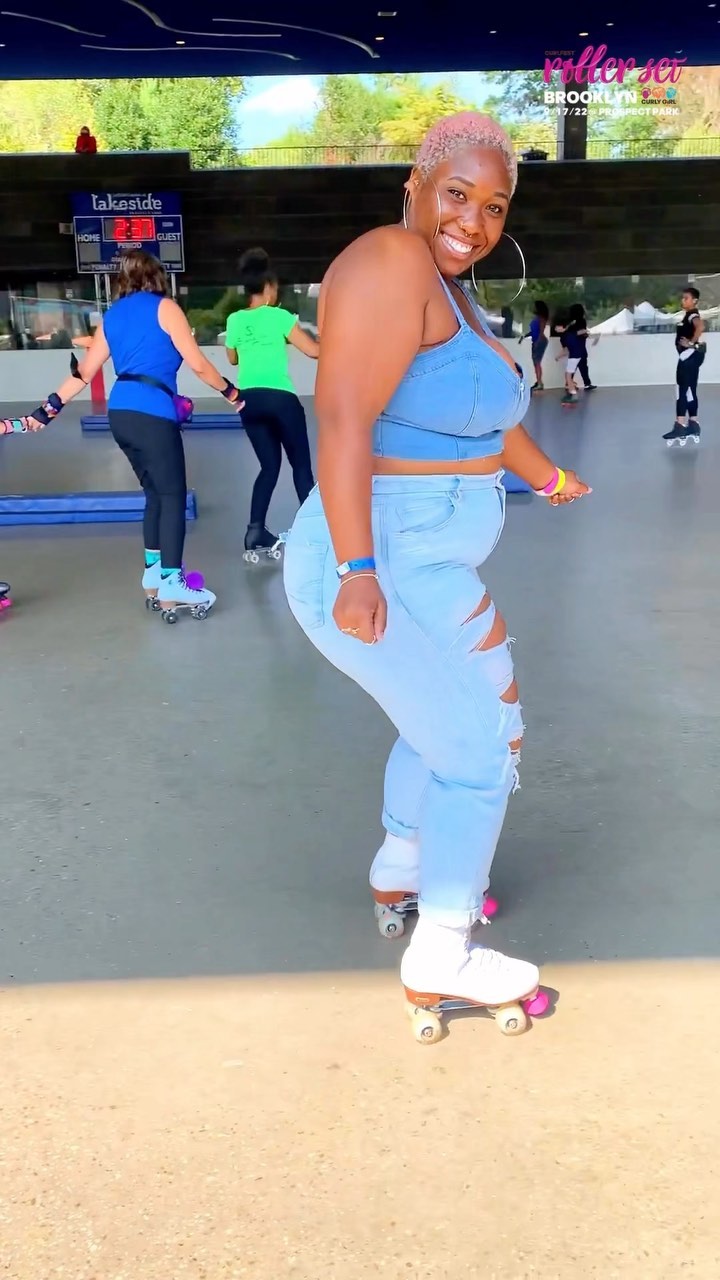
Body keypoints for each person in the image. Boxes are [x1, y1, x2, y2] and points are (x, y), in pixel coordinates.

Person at [282, 112, 591, 1037]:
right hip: (381, 553)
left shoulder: (449, 290)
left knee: (471, 717)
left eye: (494, 206)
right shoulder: (391, 260)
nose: (474, 220)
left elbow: (488, 420)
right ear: (414, 186)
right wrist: (357, 569)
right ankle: (443, 950)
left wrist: (549, 477)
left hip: (431, 556)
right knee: (480, 748)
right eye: (457, 194)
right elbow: (343, 419)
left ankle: (405, 867)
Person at [17, 250, 244, 616]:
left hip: (120, 413)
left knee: (155, 494)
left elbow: (83, 373)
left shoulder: (113, 316)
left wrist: (47, 410)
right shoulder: (166, 308)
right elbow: (200, 365)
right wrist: (233, 394)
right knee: (172, 495)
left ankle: (153, 574)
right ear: (158, 277)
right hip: (152, 412)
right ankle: (172, 581)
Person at [225, 248, 319, 558]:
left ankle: (255, 531)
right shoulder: (280, 317)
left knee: (268, 467)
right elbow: (313, 351)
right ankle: (314, 532)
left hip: (249, 402)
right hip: (281, 399)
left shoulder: (235, 320)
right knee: (300, 467)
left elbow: (233, 358)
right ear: (267, 287)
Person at [663, 285, 705, 446]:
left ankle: (680, 425)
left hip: (688, 357)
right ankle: (693, 423)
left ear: (694, 300)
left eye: (686, 298)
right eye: (683, 298)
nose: (683, 300)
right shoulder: (689, 315)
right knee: (690, 391)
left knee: (681, 391)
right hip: (692, 356)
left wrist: (691, 343)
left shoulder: (692, 314)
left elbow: (700, 326)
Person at [519, 299, 549, 391]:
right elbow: (533, 332)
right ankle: (539, 382)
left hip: (540, 341)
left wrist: (537, 343)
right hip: (536, 341)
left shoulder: (541, 318)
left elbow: (540, 332)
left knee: (537, 363)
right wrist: (524, 336)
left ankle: (539, 383)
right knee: (536, 363)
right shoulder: (537, 318)